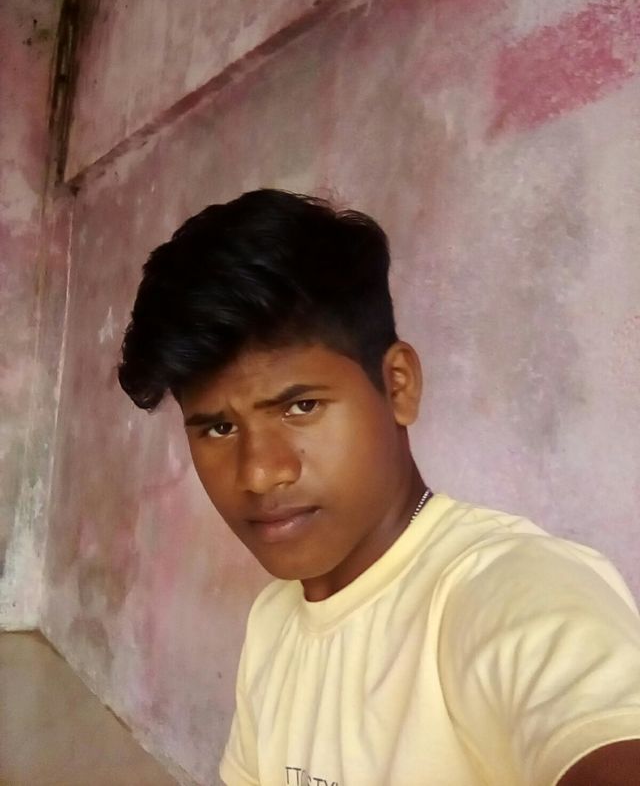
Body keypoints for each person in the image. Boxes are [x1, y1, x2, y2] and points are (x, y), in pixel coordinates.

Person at [118, 189, 640, 785]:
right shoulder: (274, 622)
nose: (259, 473)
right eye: (218, 427)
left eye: (301, 406)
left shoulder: (511, 589)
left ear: (398, 386)